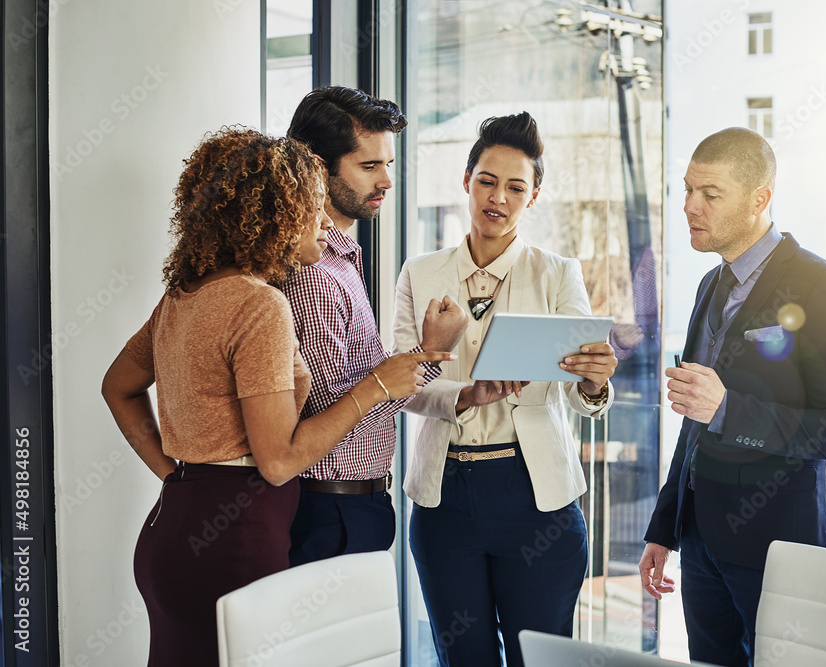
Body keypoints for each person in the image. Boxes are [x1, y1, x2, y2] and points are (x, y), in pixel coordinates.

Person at [101, 127, 454, 667]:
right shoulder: (258, 304)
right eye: (311, 208)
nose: (324, 223)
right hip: (235, 537)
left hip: (170, 528)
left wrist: (176, 476)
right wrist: (378, 387)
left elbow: (116, 387)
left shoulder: (182, 296)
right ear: (272, 217)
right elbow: (279, 461)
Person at [393, 111, 619, 667]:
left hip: (536, 496)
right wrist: (465, 394)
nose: (498, 198)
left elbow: (578, 391)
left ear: (533, 196)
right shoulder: (419, 273)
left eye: (516, 187)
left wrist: (593, 383)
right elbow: (398, 388)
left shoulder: (557, 273)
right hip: (446, 496)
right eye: (487, 182)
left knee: (538, 659)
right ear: (466, 182)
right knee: (462, 656)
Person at [638, 127, 826, 667]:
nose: (690, 206)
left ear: (760, 199)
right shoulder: (709, 286)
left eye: (710, 195)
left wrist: (728, 409)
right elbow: (695, 421)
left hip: (778, 548)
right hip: (700, 546)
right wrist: (666, 528)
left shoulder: (825, 287)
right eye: (688, 190)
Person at [278, 86, 468, 566]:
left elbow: (364, 389)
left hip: (348, 504)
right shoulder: (314, 270)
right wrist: (429, 353)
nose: (387, 180)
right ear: (319, 169)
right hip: (330, 507)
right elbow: (330, 406)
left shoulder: (341, 255)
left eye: (388, 164)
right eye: (370, 167)